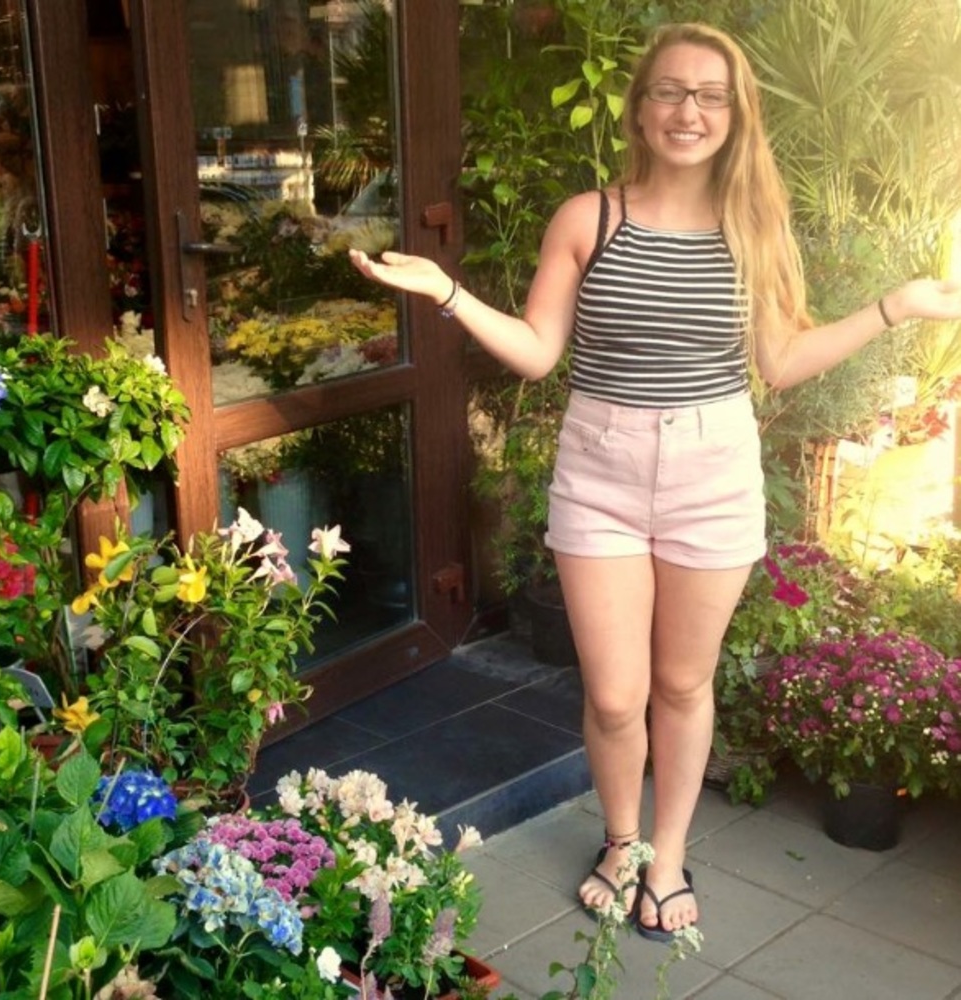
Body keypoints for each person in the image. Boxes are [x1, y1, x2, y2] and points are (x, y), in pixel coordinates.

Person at [349, 21, 961, 940]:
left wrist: (893, 308)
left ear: (735, 114)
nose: (690, 111)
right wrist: (448, 292)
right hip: (600, 467)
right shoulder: (587, 217)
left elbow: (782, 360)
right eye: (670, 91)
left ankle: (668, 854)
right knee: (610, 693)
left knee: (681, 685)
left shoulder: (754, 227)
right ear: (638, 109)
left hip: (713, 472)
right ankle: (622, 839)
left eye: (711, 96)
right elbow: (537, 352)